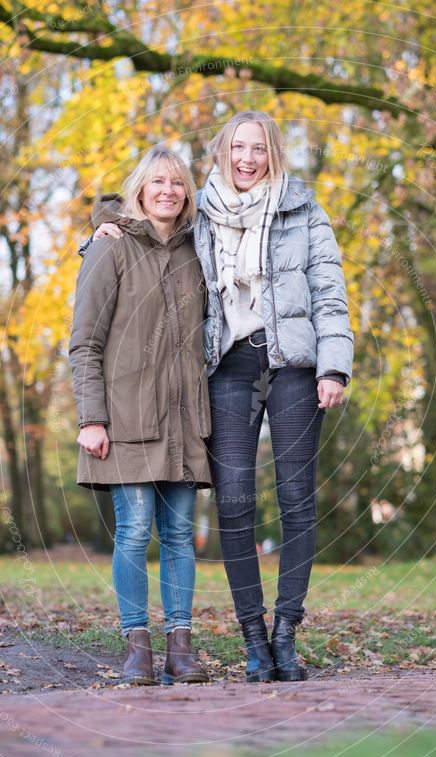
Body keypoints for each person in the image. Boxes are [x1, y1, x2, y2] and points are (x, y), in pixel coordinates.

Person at [90, 111, 354, 684]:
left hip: (294, 365)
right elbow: (143, 223)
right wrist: (100, 224)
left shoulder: (305, 210)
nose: (247, 158)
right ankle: (253, 639)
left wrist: (334, 367)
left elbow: (330, 292)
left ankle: (286, 633)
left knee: (296, 499)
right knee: (233, 503)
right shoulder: (200, 213)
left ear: (273, 154)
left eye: (258, 148)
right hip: (227, 367)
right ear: (221, 152)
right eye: (237, 147)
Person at [70, 146, 212, 686]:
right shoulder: (110, 249)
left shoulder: (198, 249)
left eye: (177, 182)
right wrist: (91, 417)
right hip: (125, 418)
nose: (168, 191)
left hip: (184, 421)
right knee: (132, 533)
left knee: (178, 537)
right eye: (158, 181)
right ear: (139, 188)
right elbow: (84, 342)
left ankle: (182, 646)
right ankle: (137, 647)